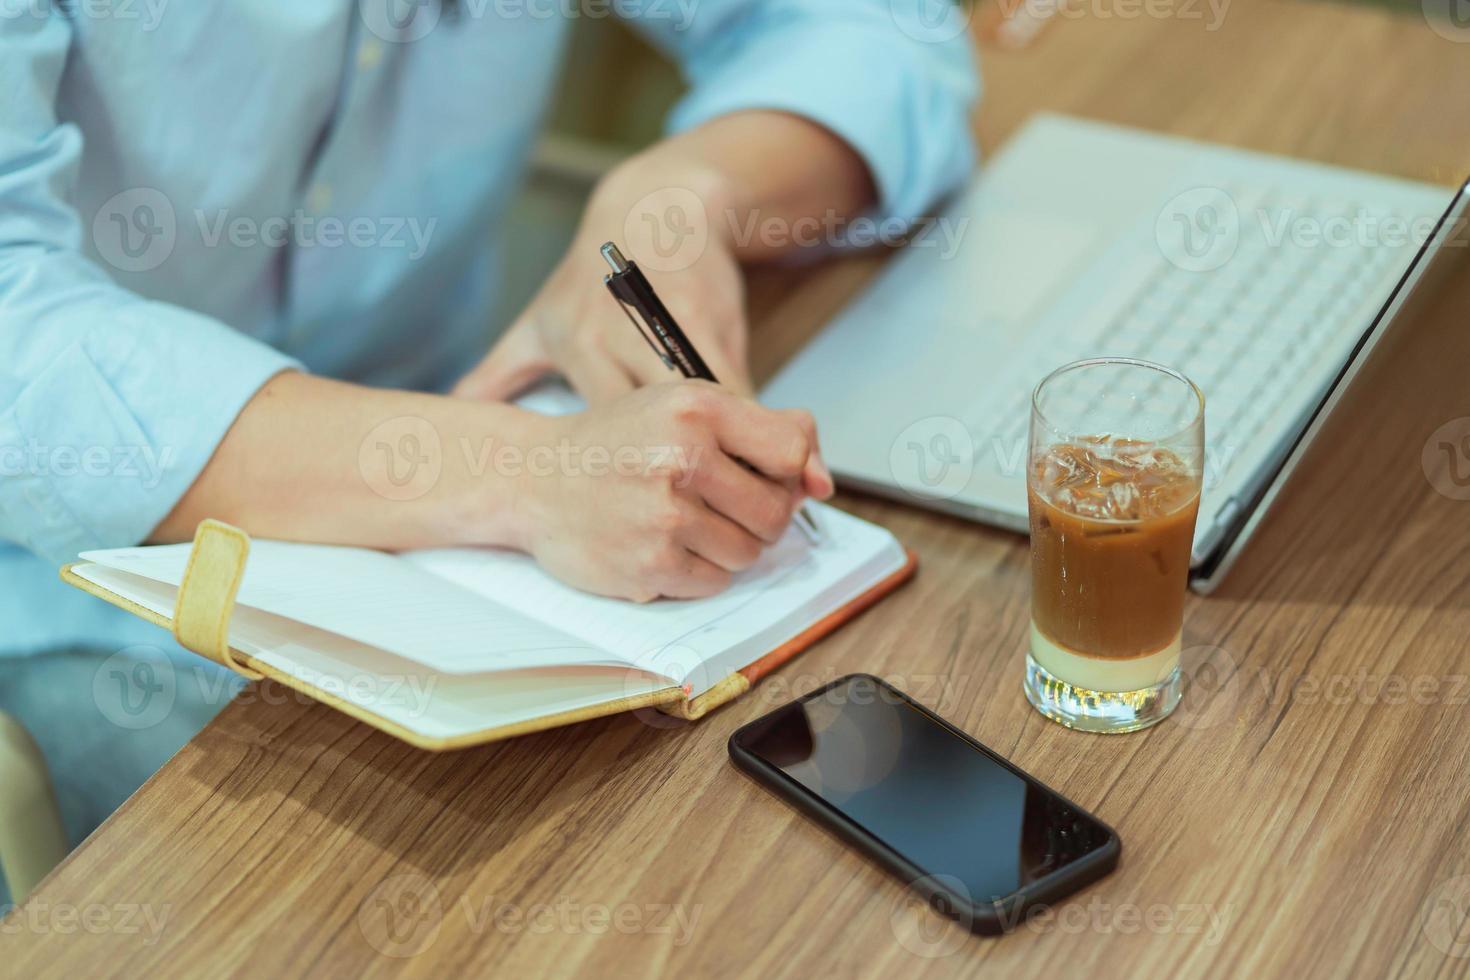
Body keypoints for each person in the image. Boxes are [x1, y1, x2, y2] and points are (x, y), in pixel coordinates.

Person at [0, 0, 978, 878]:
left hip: (470, 513)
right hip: (76, 587)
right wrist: (518, 471)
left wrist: (686, 191)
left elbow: (881, 30)